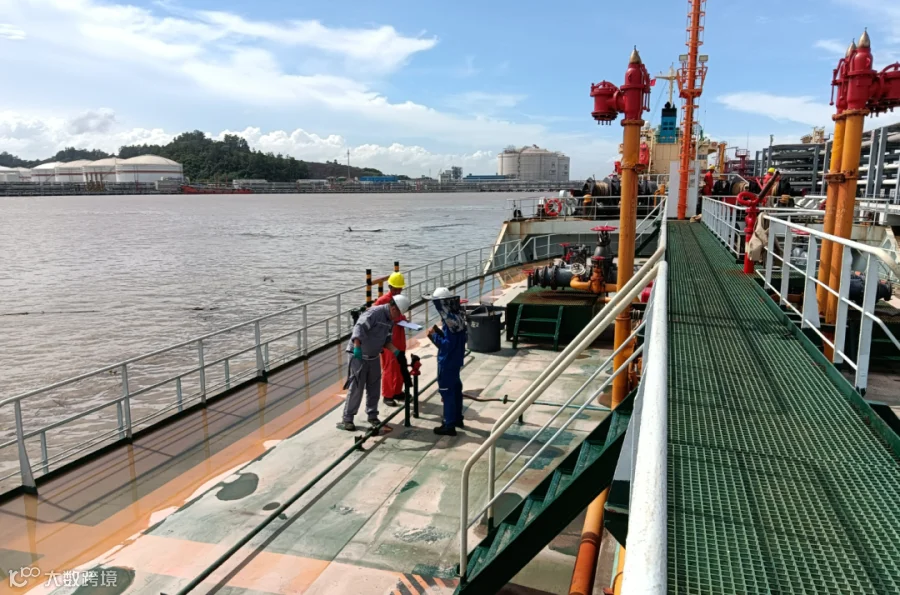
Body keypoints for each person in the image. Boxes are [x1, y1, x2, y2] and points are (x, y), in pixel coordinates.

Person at [339, 294, 410, 431]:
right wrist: (357, 348)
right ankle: (347, 418)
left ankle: (372, 415)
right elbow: (359, 328)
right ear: (394, 308)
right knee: (357, 388)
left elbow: (386, 340)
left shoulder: (390, 320)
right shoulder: (374, 313)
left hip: (373, 357)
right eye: (399, 313)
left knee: (374, 388)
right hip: (359, 356)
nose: (399, 317)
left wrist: (397, 352)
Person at [427, 287, 467, 436]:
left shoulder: (448, 320)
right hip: (457, 359)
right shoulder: (458, 315)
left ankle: (449, 424)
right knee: (456, 389)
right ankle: (457, 418)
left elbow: (446, 345)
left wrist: (434, 336)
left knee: (447, 392)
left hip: (447, 361)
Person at [373, 272, 408, 407]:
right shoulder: (382, 301)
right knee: (389, 367)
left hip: (399, 338)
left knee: (400, 365)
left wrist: (404, 320)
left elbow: (400, 315)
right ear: (390, 287)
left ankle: (397, 391)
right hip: (388, 341)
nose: (398, 291)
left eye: (400, 289)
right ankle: (387, 394)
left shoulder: (399, 299)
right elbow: (373, 317)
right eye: (396, 289)